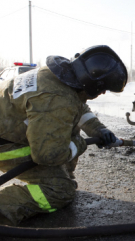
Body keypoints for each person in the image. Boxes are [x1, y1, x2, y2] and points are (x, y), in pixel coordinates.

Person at [0, 45, 127, 225]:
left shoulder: (55, 78)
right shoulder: (56, 98)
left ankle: (60, 174)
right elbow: (47, 155)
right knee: (60, 191)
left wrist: (98, 129)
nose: (103, 93)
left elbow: (78, 107)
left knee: (65, 126)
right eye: (103, 88)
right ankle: (6, 206)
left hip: (8, 133)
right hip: (5, 146)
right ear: (94, 84)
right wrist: (80, 143)